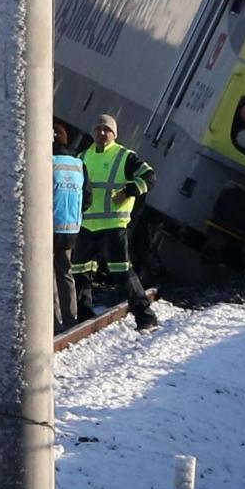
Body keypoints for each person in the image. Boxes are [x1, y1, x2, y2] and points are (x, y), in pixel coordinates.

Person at [72, 112, 161, 329]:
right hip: (86, 225)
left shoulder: (125, 157)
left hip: (113, 226)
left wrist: (129, 191)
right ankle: (84, 317)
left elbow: (149, 177)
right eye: (98, 129)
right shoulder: (82, 157)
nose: (102, 133)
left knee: (122, 272)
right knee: (80, 272)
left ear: (114, 134)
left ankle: (146, 317)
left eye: (107, 130)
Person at [49, 119, 86, 328]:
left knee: (48, 277)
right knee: (65, 275)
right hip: (70, 229)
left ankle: (53, 323)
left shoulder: (47, 162)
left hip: (48, 228)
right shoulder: (79, 165)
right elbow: (87, 197)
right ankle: (71, 320)